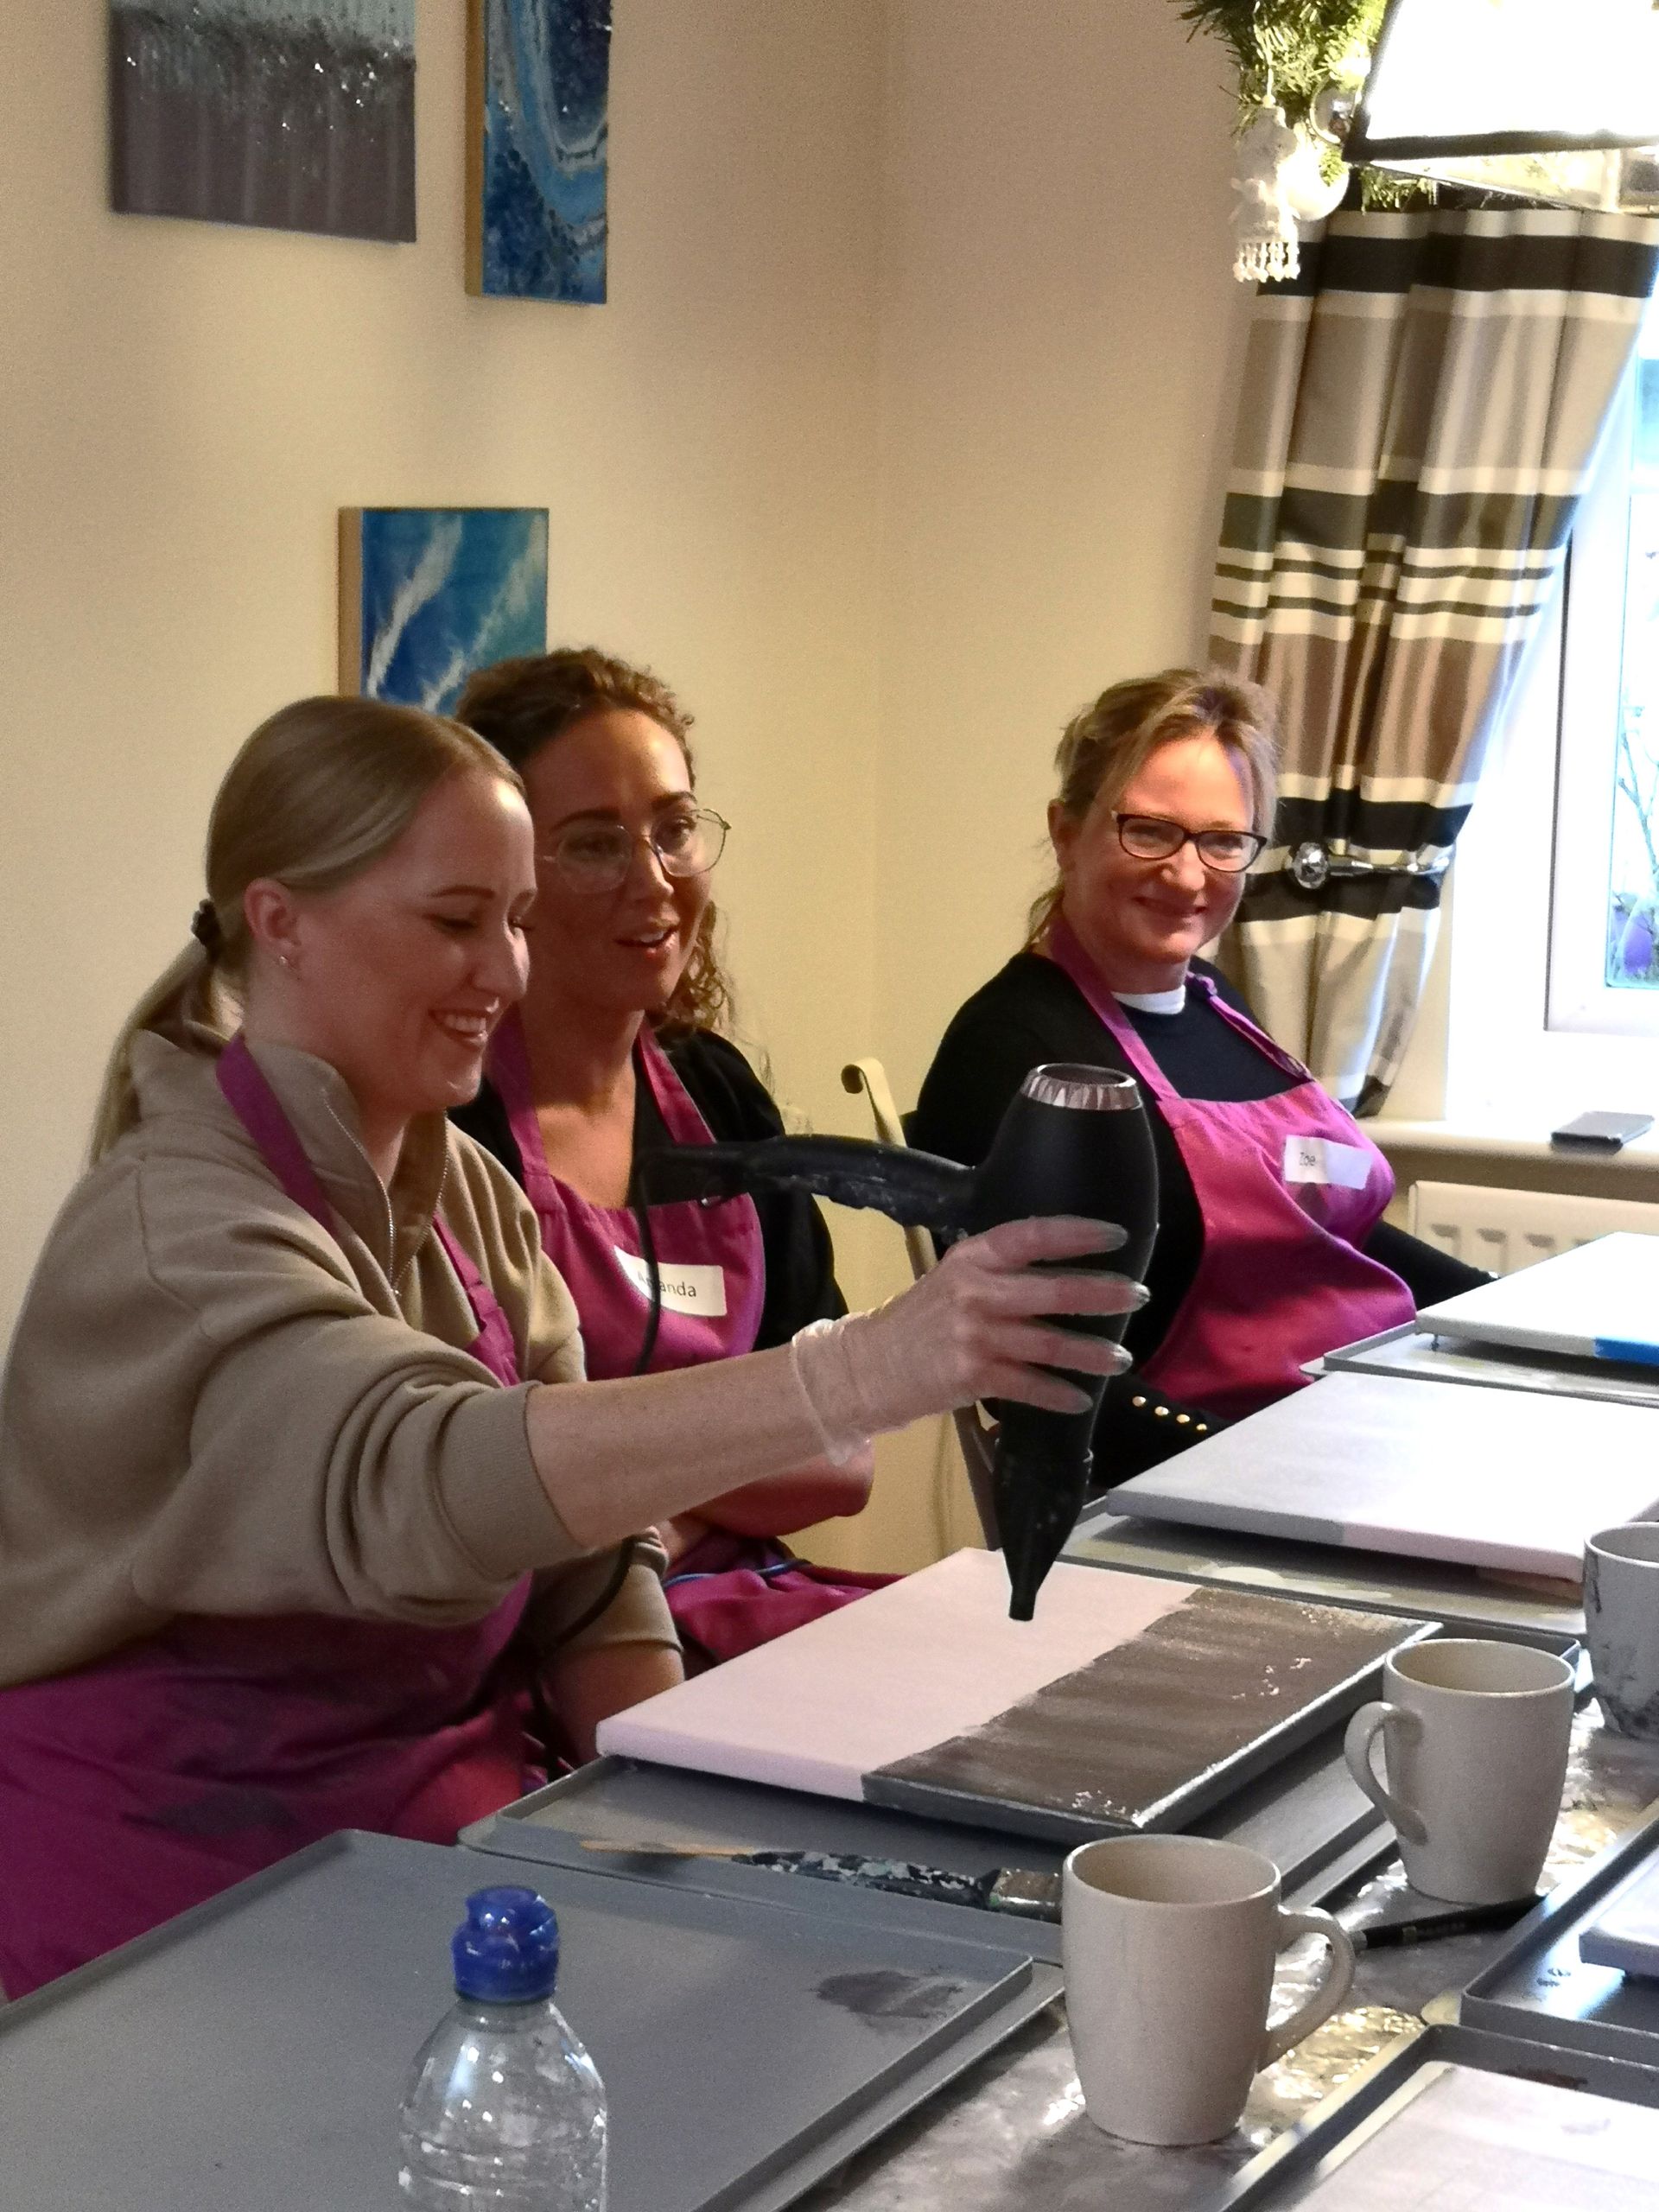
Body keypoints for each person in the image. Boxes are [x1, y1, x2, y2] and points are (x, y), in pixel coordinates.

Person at [0, 695, 1141, 1997]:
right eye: (455, 921)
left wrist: (657, 1829)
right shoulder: (175, 1225)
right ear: (281, 922)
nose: (505, 972)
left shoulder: (468, 1196)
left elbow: (589, 1563)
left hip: (428, 1838)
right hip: (184, 1885)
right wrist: (868, 1369)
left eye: (515, 918)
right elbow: (429, 1471)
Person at [912, 668, 1484, 1484]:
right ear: (1066, 832)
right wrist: (1245, 1468)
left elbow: (1329, 1224)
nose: (1187, 876)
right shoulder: (1013, 1051)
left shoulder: (1216, 1005)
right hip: (1184, 1490)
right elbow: (1031, 1365)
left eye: (1222, 841)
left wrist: (1506, 1306)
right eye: (1149, 832)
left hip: (1355, 1433)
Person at [452, 648, 887, 1669]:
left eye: (674, 829)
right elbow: (489, 1485)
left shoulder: (718, 1090)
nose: (653, 881)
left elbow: (843, 1455)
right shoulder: (454, 1127)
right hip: (557, 1653)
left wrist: (639, 1493)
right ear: (508, 878)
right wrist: (732, 1454)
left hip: (749, 1601)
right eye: (594, 844)